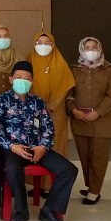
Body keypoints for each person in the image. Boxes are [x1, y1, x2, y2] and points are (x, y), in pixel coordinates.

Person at [0, 61, 78, 221]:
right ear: (11, 79)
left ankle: (50, 210)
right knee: (12, 169)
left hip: (37, 148)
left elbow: (48, 128)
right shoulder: (1, 100)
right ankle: (22, 210)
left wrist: (43, 147)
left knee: (69, 170)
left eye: (27, 78)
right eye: (18, 77)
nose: (22, 81)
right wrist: (12, 146)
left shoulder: (38, 102)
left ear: (32, 81)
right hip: (13, 149)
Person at [67, 37, 111, 205]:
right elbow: (68, 94)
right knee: (85, 156)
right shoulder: (74, 69)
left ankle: (95, 191)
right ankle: (91, 186)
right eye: (87, 47)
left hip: (102, 121)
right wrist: (73, 110)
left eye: (94, 47)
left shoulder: (109, 69)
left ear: (100, 48)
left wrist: (98, 112)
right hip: (80, 120)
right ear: (81, 50)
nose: (91, 50)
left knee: (99, 157)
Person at [28, 31, 75, 160]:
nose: (43, 45)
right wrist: (36, 104)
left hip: (56, 110)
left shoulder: (61, 64)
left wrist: (51, 105)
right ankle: (35, 172)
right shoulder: (28, 61)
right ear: (34, 44)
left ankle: (57, 172)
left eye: (47, 43)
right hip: (33, 109)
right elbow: (24, 84)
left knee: (56, 140)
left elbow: (65, 86)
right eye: (39, 42)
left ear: (53, 45)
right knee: (34, 139)